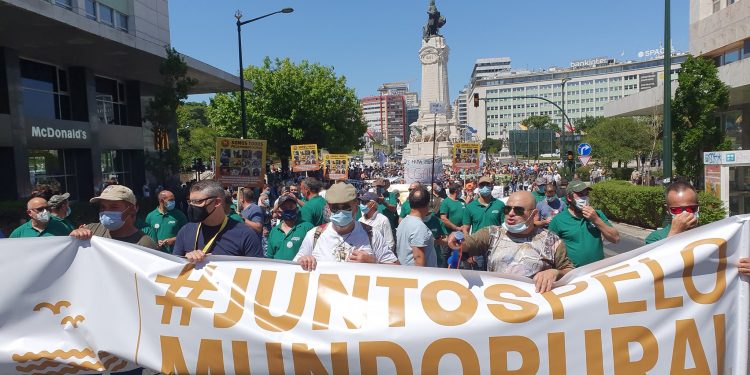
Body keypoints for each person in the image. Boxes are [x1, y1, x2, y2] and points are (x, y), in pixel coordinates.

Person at [447, 191, 574, 293]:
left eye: (518, 210)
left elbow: (569, 271)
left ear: (534, 214)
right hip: (498, 306)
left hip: (535, 314)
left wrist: (556, 273)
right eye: (507, 209)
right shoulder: (492, 233)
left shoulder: (551, 241)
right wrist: (458, 240)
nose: (511, 214)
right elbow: (471, 242)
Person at [295, 182, 399, 271]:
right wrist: (303, 261)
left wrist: (373, 262)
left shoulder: (372, 234)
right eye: (335, 208)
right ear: (328, 208)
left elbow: (398, 270)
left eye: (346, 207)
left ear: (355, 206)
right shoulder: (314, 235)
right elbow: (294, 267)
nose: (340, 212)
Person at [173, 180, 263, 264]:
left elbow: (257, 272)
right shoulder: (185, 231)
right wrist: (185, 261)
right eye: (190, 201)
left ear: (216, 202)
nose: (192, 206)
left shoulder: (246, 235)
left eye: (197, 202)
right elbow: (174, 269)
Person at [549, 180, 619, 267]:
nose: (584, 198)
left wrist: (596, 220)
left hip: (598, 270)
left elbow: (615, 238)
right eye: (580, 194)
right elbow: (549, 250)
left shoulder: (597, 214)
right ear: (569, 198)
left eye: (586, 194)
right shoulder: (558, 220)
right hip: (574, 273)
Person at [69, 185, 157, 249]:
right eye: (103, 207)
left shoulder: (145, 244)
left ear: (132, 209)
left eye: (114, 207)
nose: (106, 211)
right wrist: (73, 239)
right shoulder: (90, 231)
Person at [461, 175, 505, 270]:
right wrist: (469, 250)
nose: (484, 187)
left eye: (487, 185)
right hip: (477, 247)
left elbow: (504, 227)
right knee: (479, 276)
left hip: (495, 247)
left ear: (492, 186)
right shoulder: (470, 207)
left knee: (495, 275)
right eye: (482, 185)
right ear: (478, 187)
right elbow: (465, 229)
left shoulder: (500, 205)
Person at [645, 179, 700, 244]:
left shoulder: (708, 232)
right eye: (677, 210)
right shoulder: (656, 238)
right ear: (667, 210)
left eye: (691, 208)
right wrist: (674, 232)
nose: (685, 213)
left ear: (698, 207)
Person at [396, 185, 438, 267]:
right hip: (419, 276)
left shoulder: (404, 221)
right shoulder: (419, 227)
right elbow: (418, 258)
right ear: (427, 205)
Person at [267, 195, 314, 260]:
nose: (288, 210)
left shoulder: (308, 228)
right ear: (279, 213)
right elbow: (270, 258)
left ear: (297, 210)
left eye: (291, 207)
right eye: (284, 208)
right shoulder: (274, 231)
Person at [144, 189, 187, 253]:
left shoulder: (179, 215)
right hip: (158, 254)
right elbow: (146, 235)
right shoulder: (150, 216)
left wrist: (174, 239)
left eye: (174, 199)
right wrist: (155, 242)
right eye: (170, 200)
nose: (173, 202)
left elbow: (187, 233)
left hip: (176, 254)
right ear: (161, 201)